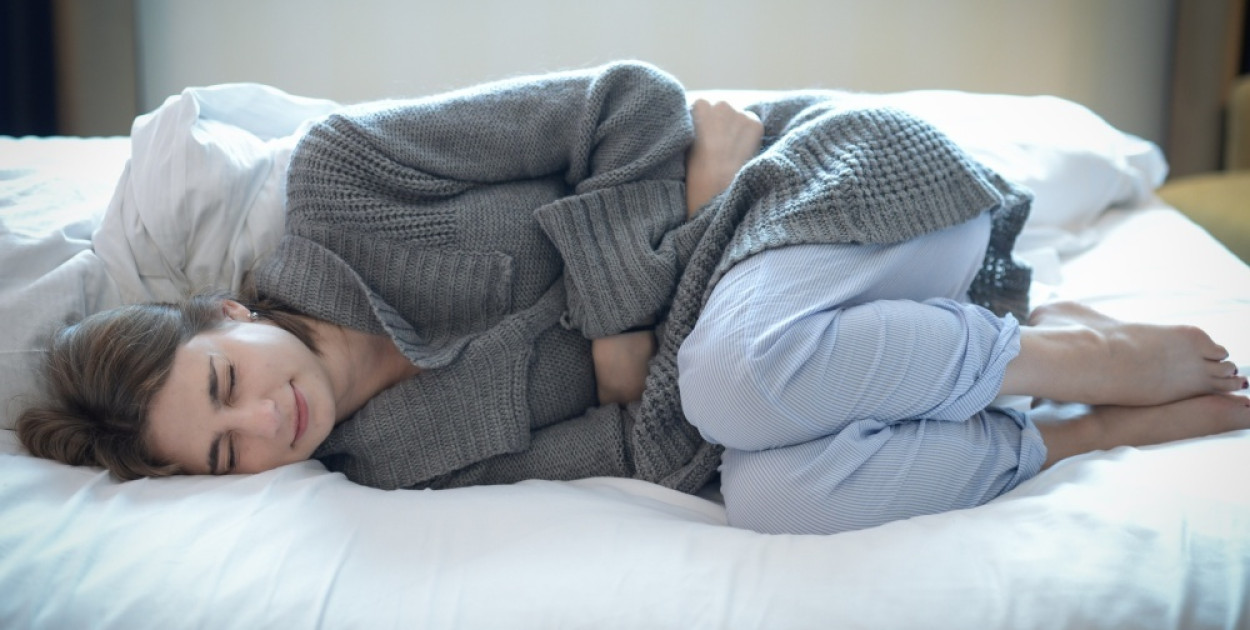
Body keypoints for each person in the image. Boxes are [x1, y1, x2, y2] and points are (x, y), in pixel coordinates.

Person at [17, 61, 1250, 536]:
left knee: (729, 376)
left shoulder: (346, 181)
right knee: (764, 491)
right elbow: (651, 451)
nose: (263, 424)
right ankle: (1069, 433)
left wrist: (624, 327)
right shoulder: (389, 464)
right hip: (781, 319)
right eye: (225, 455)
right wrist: (671, 242)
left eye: (224, 386)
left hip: (822, 188)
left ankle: (1054, 359)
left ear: (226, 315)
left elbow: (626, 105)